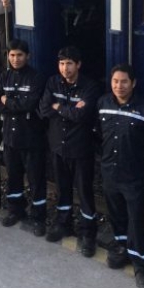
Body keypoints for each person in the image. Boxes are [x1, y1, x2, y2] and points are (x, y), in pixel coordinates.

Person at [97, 63, 144, 288]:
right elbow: (97, 135)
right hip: (109, 171)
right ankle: (121, 248)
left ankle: (141, 264)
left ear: (133, 83)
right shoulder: (103, 103)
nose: (119, 86)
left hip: (133, 174)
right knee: (116, 213)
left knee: (135, 219)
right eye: (115, 81)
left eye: (124, 81)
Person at [38, 46, 101, 256]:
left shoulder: (90, 87)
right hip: (57, 146)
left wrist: (59, 108)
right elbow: (44, 109)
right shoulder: (52, 82)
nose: (65, 68)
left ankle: (87, 234)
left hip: (80, 149)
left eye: (70, 64)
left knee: (84, 192)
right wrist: (68, 110)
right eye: (62, 64)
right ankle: (63, 223)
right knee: (62, 188)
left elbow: (82, 116)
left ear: (78, 65)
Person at [0, 39, 47, 235]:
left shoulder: (36, 78)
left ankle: (39, 217)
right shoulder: (3, 77)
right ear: (8, 56)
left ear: (28, 56)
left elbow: (30, 104)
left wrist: (7, 101)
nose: (15, 59)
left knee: (35, 179)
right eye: (12, 55)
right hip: (10, 137)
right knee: (13, 176)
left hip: (31, 138)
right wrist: (10, 104)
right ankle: (16, 210)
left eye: (20, 55)